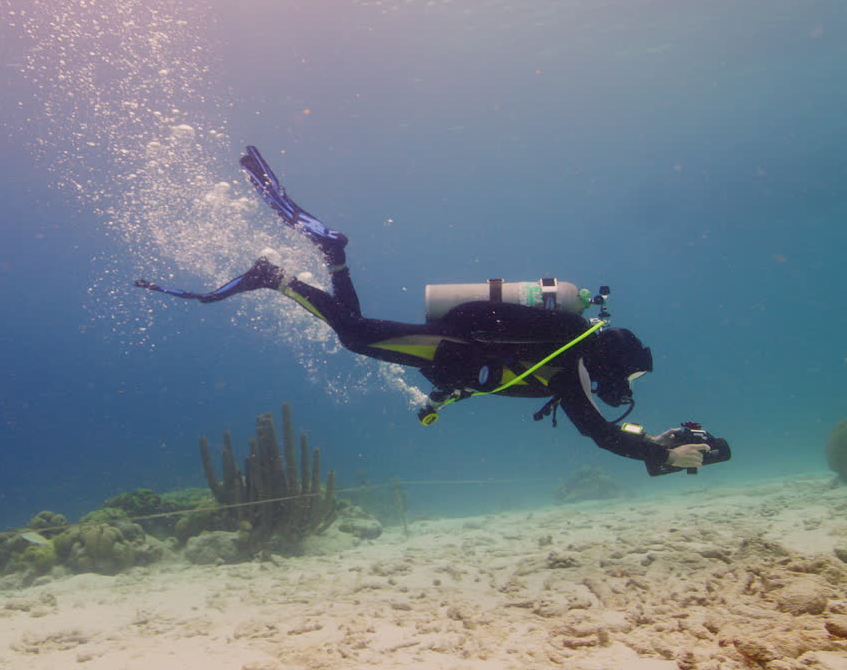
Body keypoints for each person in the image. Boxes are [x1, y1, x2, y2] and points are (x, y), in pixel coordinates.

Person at [136, 146, 729, 475]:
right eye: (626, 375)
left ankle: (329, 259)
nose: (619, 386)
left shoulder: (568, 352)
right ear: (612, 358)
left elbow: (503, 378)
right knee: (354, 338)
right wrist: (655, 452)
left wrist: (439, 399)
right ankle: (280, 273)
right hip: (448, 348)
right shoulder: (571, 362)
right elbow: (597, 432)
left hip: (449, 353)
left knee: (359, 333)